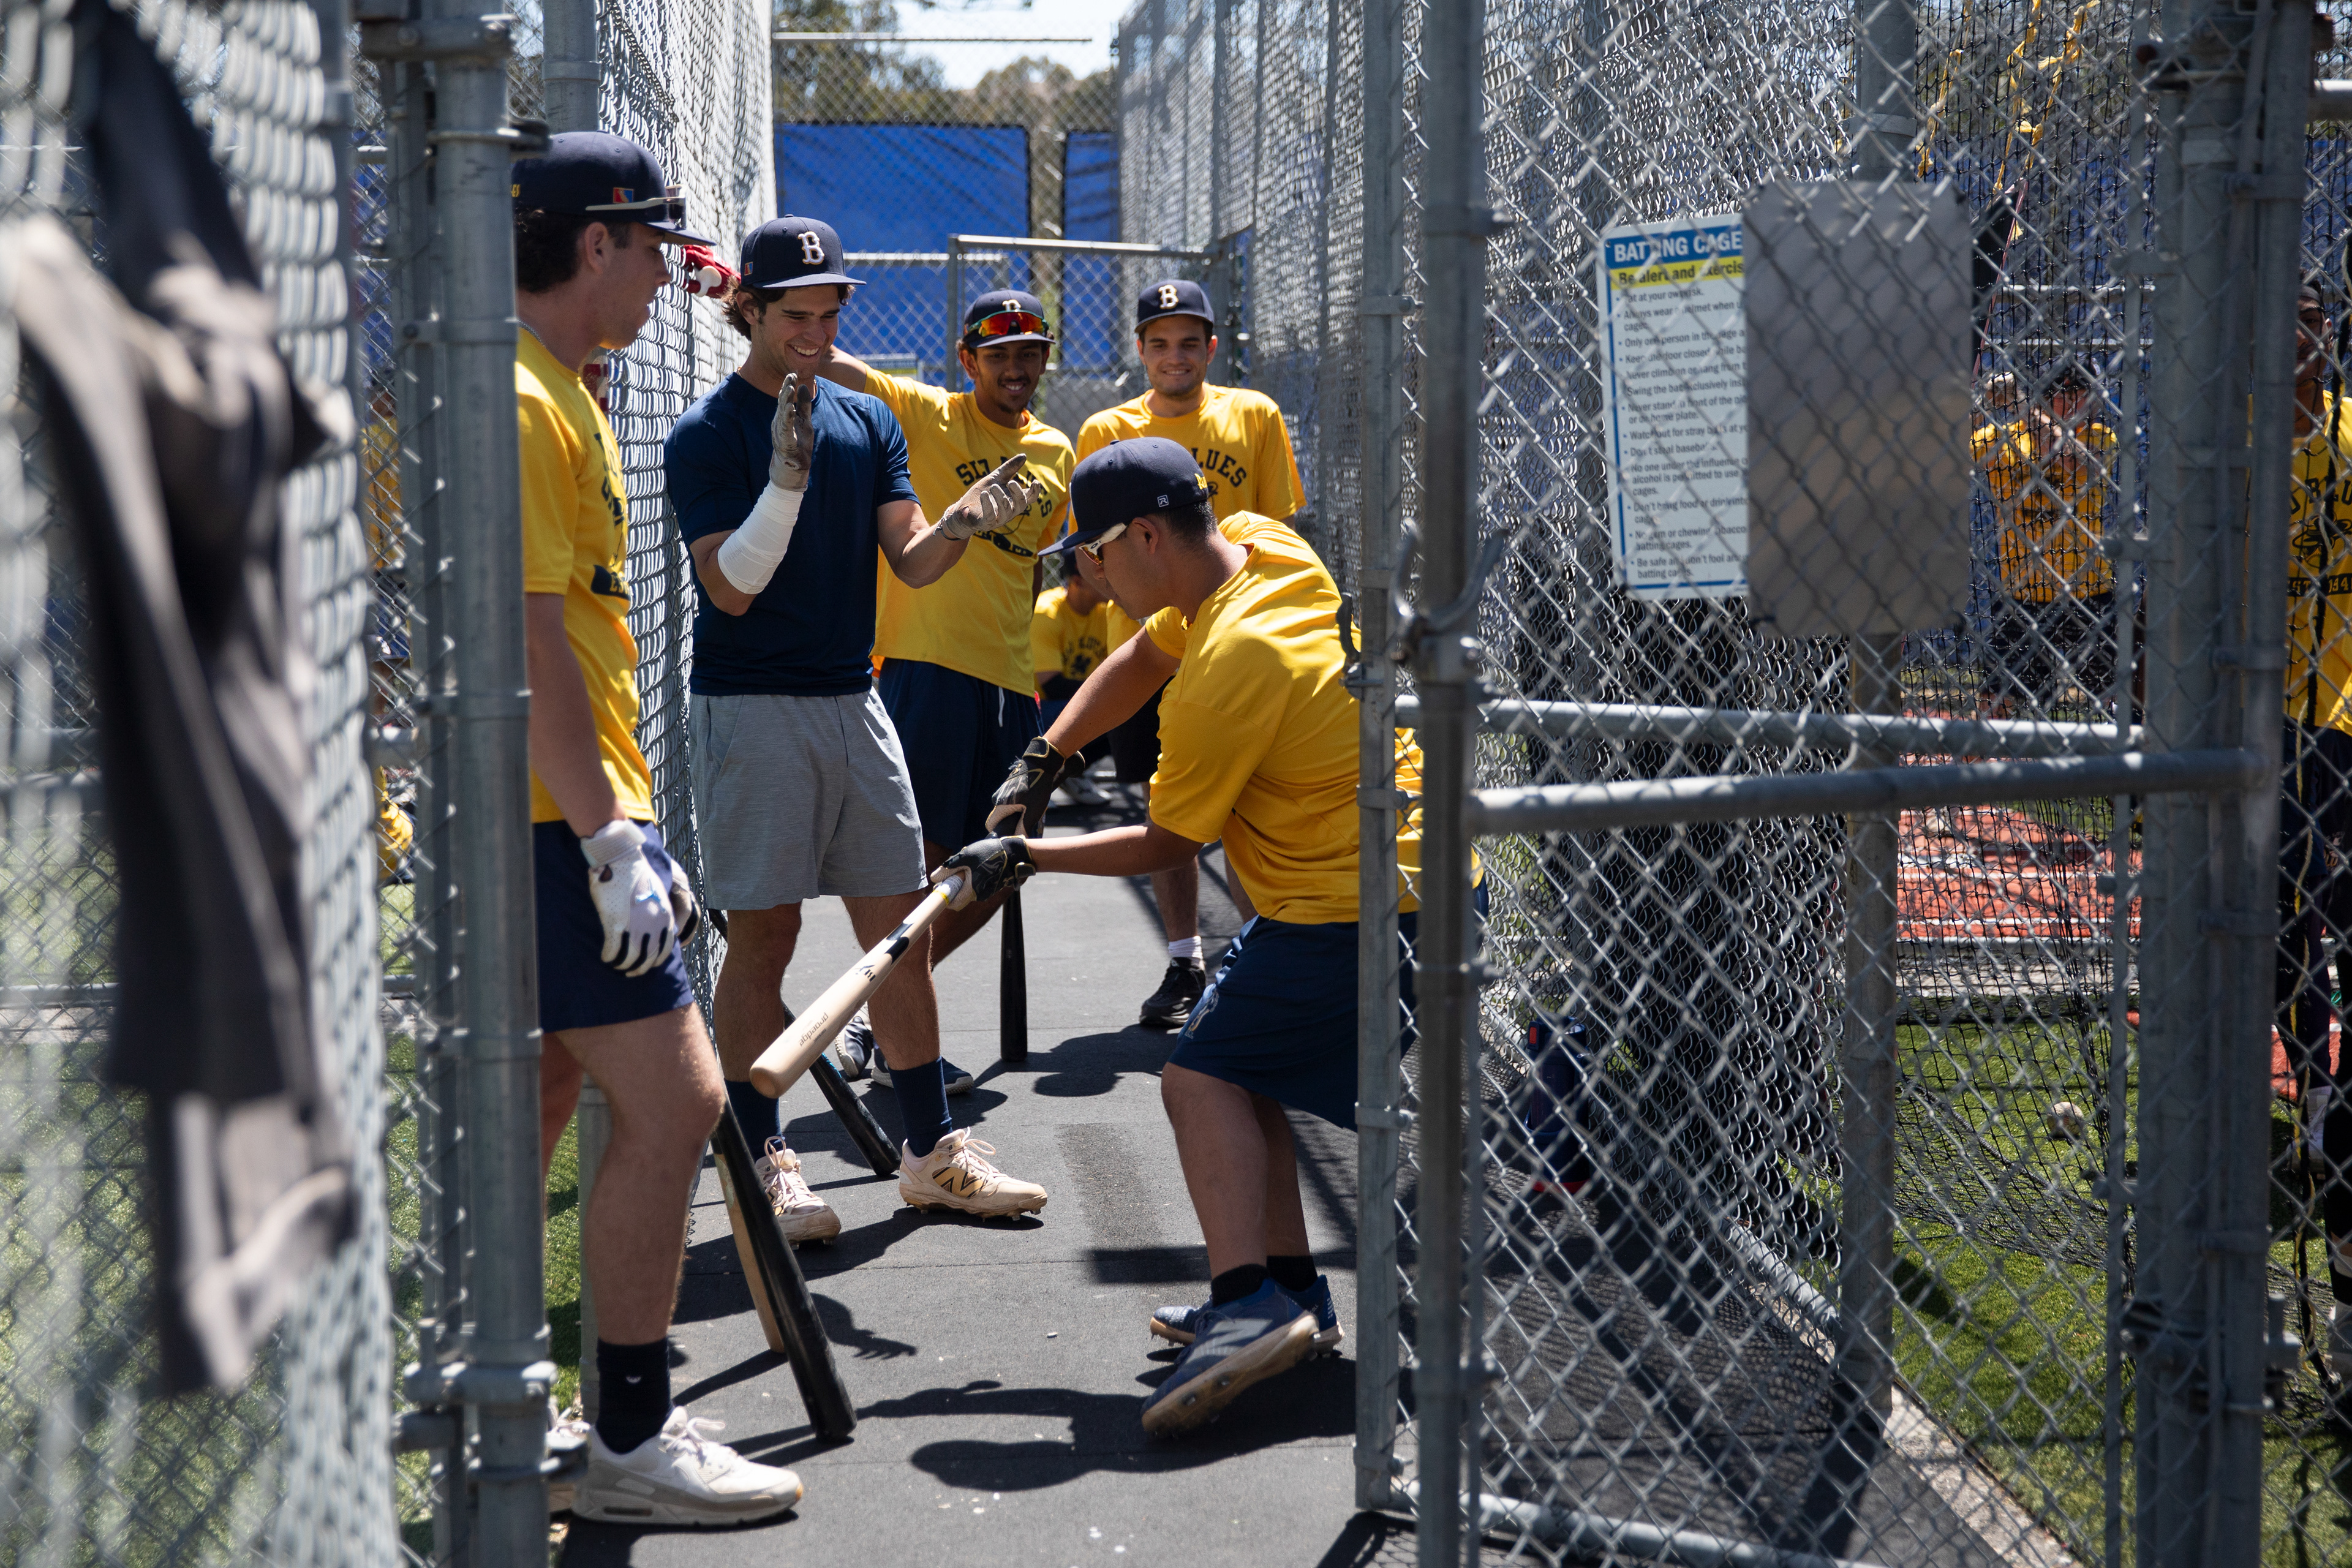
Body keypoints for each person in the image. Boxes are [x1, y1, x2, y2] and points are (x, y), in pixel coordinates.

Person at [943, 439, 1420, 1434]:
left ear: (1148, 537)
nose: (1087, 576)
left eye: (1095, 555)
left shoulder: (1235, 662)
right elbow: (1143, 653)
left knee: (1195, 1080)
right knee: (1242, 1075)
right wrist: (1045, 756)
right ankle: (1285, 1296)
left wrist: (1025, 858)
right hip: (1370, 889)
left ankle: (1248, 1302)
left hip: (1364, 911)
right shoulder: (1260, 543)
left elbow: (1170, 838)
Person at [509, 132, 804, 1526]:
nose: (665, 273)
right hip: (555, 826)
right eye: (648, 245)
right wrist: (609, 834)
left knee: (548, 1098)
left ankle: (511, 1405)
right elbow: (527, 653)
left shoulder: (558, 384)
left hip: (561, 818)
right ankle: (624, 1426)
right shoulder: (523, 397)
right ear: (589, 247)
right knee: (682, 1099)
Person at [662, 214, 1051, 1240]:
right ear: (747, 307)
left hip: (854, 697)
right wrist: (783, 484)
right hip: (751, 704)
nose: (819, 329)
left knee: (904, 932)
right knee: (767, 935)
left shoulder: (864, 420)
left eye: (832, 310)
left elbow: (913, 561)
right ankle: (767, 1158)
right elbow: (731, 592)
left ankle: (929, 1154)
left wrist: (968, 519)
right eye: (798, 312)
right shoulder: (708, 433)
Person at [814, 288, 1077, 1078]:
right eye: (999, 355)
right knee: (920, 861)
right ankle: (898, 1032)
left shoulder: (1056, 452)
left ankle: (887, 1005)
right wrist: (761, 305)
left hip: (1008, 679)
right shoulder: (928, 414)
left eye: (1030, 352)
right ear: (969, 362)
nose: (1017, 368)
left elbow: (1025, 572)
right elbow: (836, 364)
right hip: (926, 670)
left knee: (1000, 862)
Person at [1074, 279, 1306, 1028]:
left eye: (1189, 342)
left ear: (1212, 347)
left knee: (1245, 800)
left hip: (1235, 646)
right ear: (1140, 351)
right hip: (1148, 652)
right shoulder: (1107, 428)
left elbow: (1275, 534)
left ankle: (1261, 951)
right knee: (1165, 808)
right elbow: (1092, 558)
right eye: (1159, 343)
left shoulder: (1254, 415)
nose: (1174, 356)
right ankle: (1184, 958)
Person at [2279, 284, 2352, 1379]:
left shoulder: (2346, 429)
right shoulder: (2231, 444)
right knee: (2280, 933)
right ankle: (2315, 1094)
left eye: (2311, 323)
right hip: (2268, 730)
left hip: (2342, 718)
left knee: (2327, 919)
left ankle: (2331, 1112)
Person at [1973, 362, 2121, 718]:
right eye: (2063, 393)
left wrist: (2024, 403)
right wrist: (1980, 401)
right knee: (1997, 705)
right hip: (2024, 598)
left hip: (2088, 597)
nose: (2074, 402)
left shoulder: (2101, 438)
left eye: (2082, 393)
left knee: (2114, 703)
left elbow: (2066, 457)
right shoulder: (2002, 438)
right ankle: (1977, 774)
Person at [1030, 566, 1112, 804]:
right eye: (1101, 576)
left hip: (1072, 702)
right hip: (1038, 710)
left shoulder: (1106, 613)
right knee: (1108, 704)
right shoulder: (1048, 611)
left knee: (1127, 713)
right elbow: (1052, 686)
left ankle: (1068, 774)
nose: (1111, 580)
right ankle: (1044, 776)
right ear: (1078, 581)